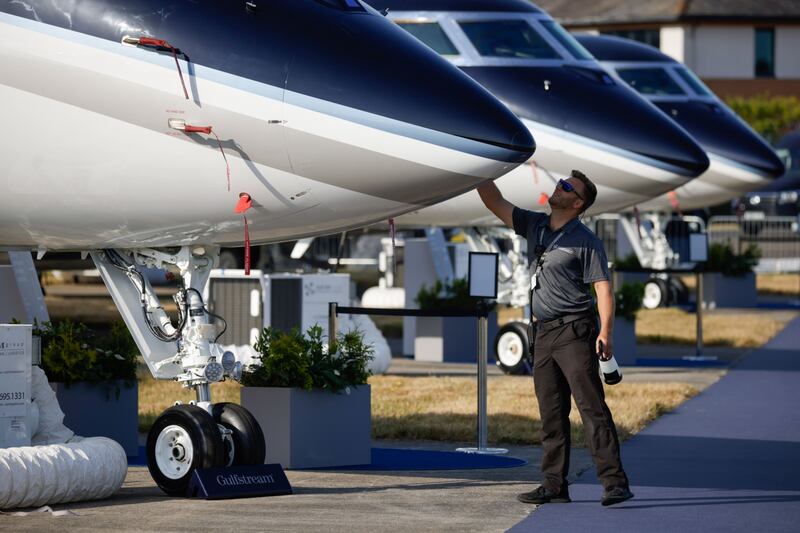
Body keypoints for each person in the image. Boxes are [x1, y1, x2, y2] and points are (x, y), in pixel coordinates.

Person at [477, 170, 633, 507]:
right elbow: (494, 201)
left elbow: (603, 289)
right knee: (551, 413)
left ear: (577, 203)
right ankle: (553, 485)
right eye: (560, 183)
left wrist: (605, 332)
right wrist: (480, 170)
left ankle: (615, 483)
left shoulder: (586, 240)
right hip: (543, 333)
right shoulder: (534, 224)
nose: (557, 188)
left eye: (566, 187)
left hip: (575, 331)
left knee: (592, 409)